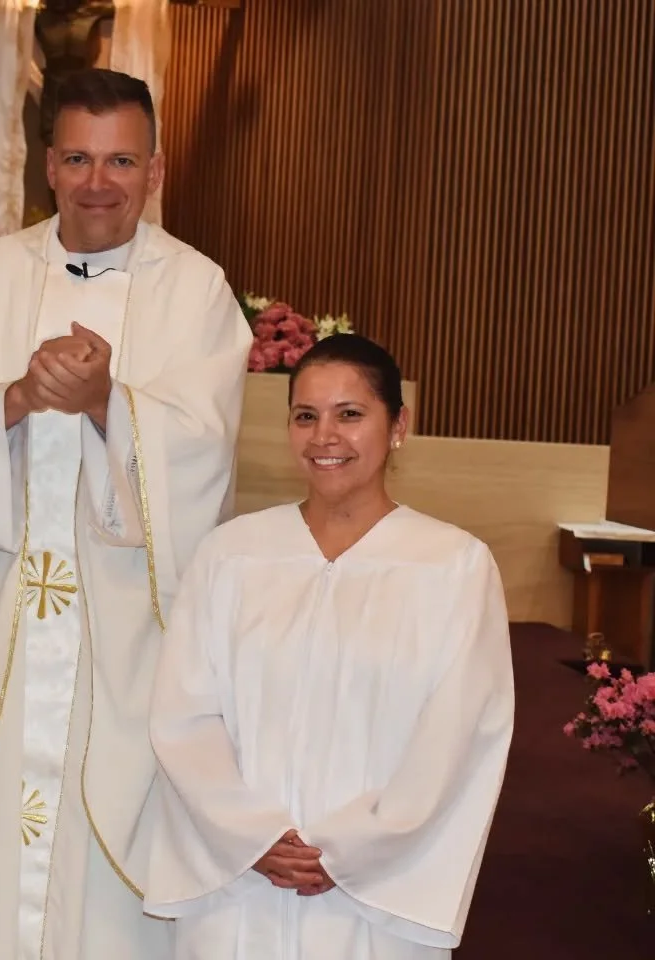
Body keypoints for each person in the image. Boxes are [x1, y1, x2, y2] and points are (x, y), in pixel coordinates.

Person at [0, 67, 252, 959]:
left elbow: (205, 445)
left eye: (122, 160)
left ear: (156, 170)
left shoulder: (199, 290)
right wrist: (13, 398)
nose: (100, 183)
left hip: (125, 636)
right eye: (80, 159)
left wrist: (106, 403)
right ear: (48, 168)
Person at [144, 334, 515, 959]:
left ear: (399, 425)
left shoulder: (452, 566)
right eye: (305, 416)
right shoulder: (233, 554)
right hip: (242, 882)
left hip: (374, 894)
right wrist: (252, 835)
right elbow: (185, 714)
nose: (325, 437)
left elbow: (458, 733)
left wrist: (349, 850)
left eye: (350, 414)